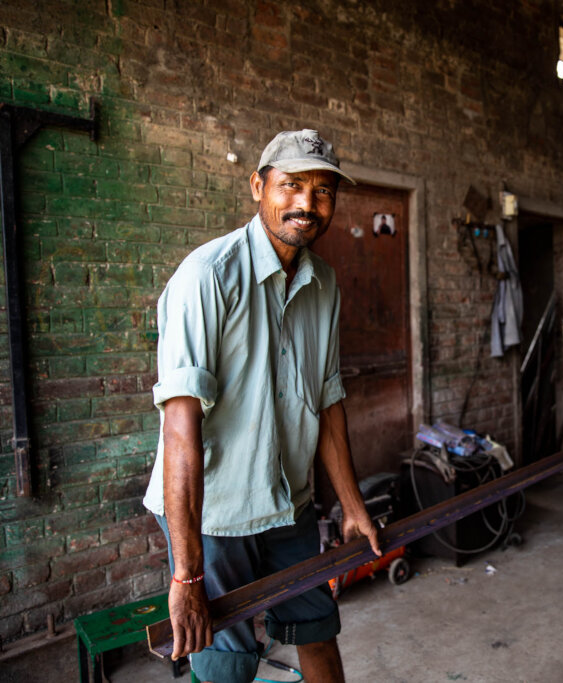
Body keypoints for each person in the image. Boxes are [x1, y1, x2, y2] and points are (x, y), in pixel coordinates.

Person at [142, 129, 382, 683]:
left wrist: (351, 505)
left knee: (317, 628)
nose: (306, 204)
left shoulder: (324, 283)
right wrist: (187, 578)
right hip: (216, 514)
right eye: (291, 185)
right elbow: (180, 429)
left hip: (287, 503)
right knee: (227, 664)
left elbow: (326, 401)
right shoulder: (207, 277)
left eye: (323, 192)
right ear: (258, 186)